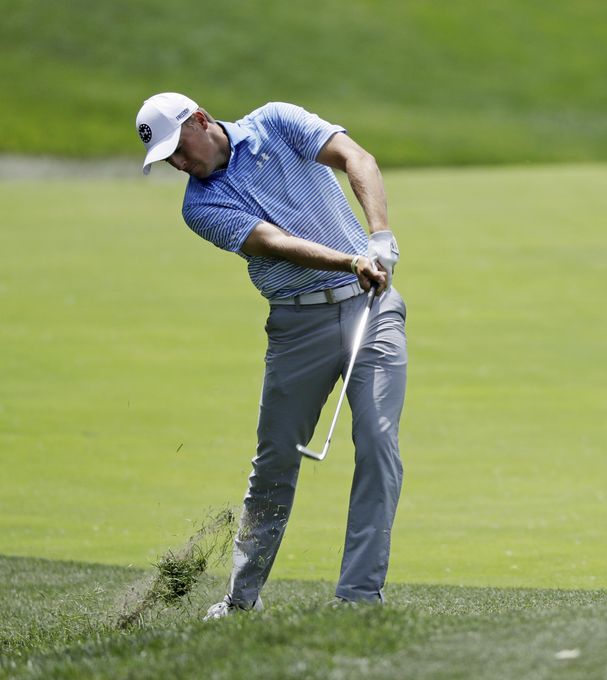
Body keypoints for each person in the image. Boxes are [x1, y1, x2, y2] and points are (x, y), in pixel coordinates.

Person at [135, 92, 407, 618]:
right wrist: (353, 259)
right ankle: (241, 600)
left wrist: (380, 238)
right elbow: (272, 242)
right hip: (296, 325)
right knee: (276, 458)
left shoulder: (277, 121)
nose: (177, 162)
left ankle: (358, 599)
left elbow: (358, 159)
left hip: (372, 309)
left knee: (377, 441)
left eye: (177, 147)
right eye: (166, 158)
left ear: (200, 119)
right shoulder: (199, 206)